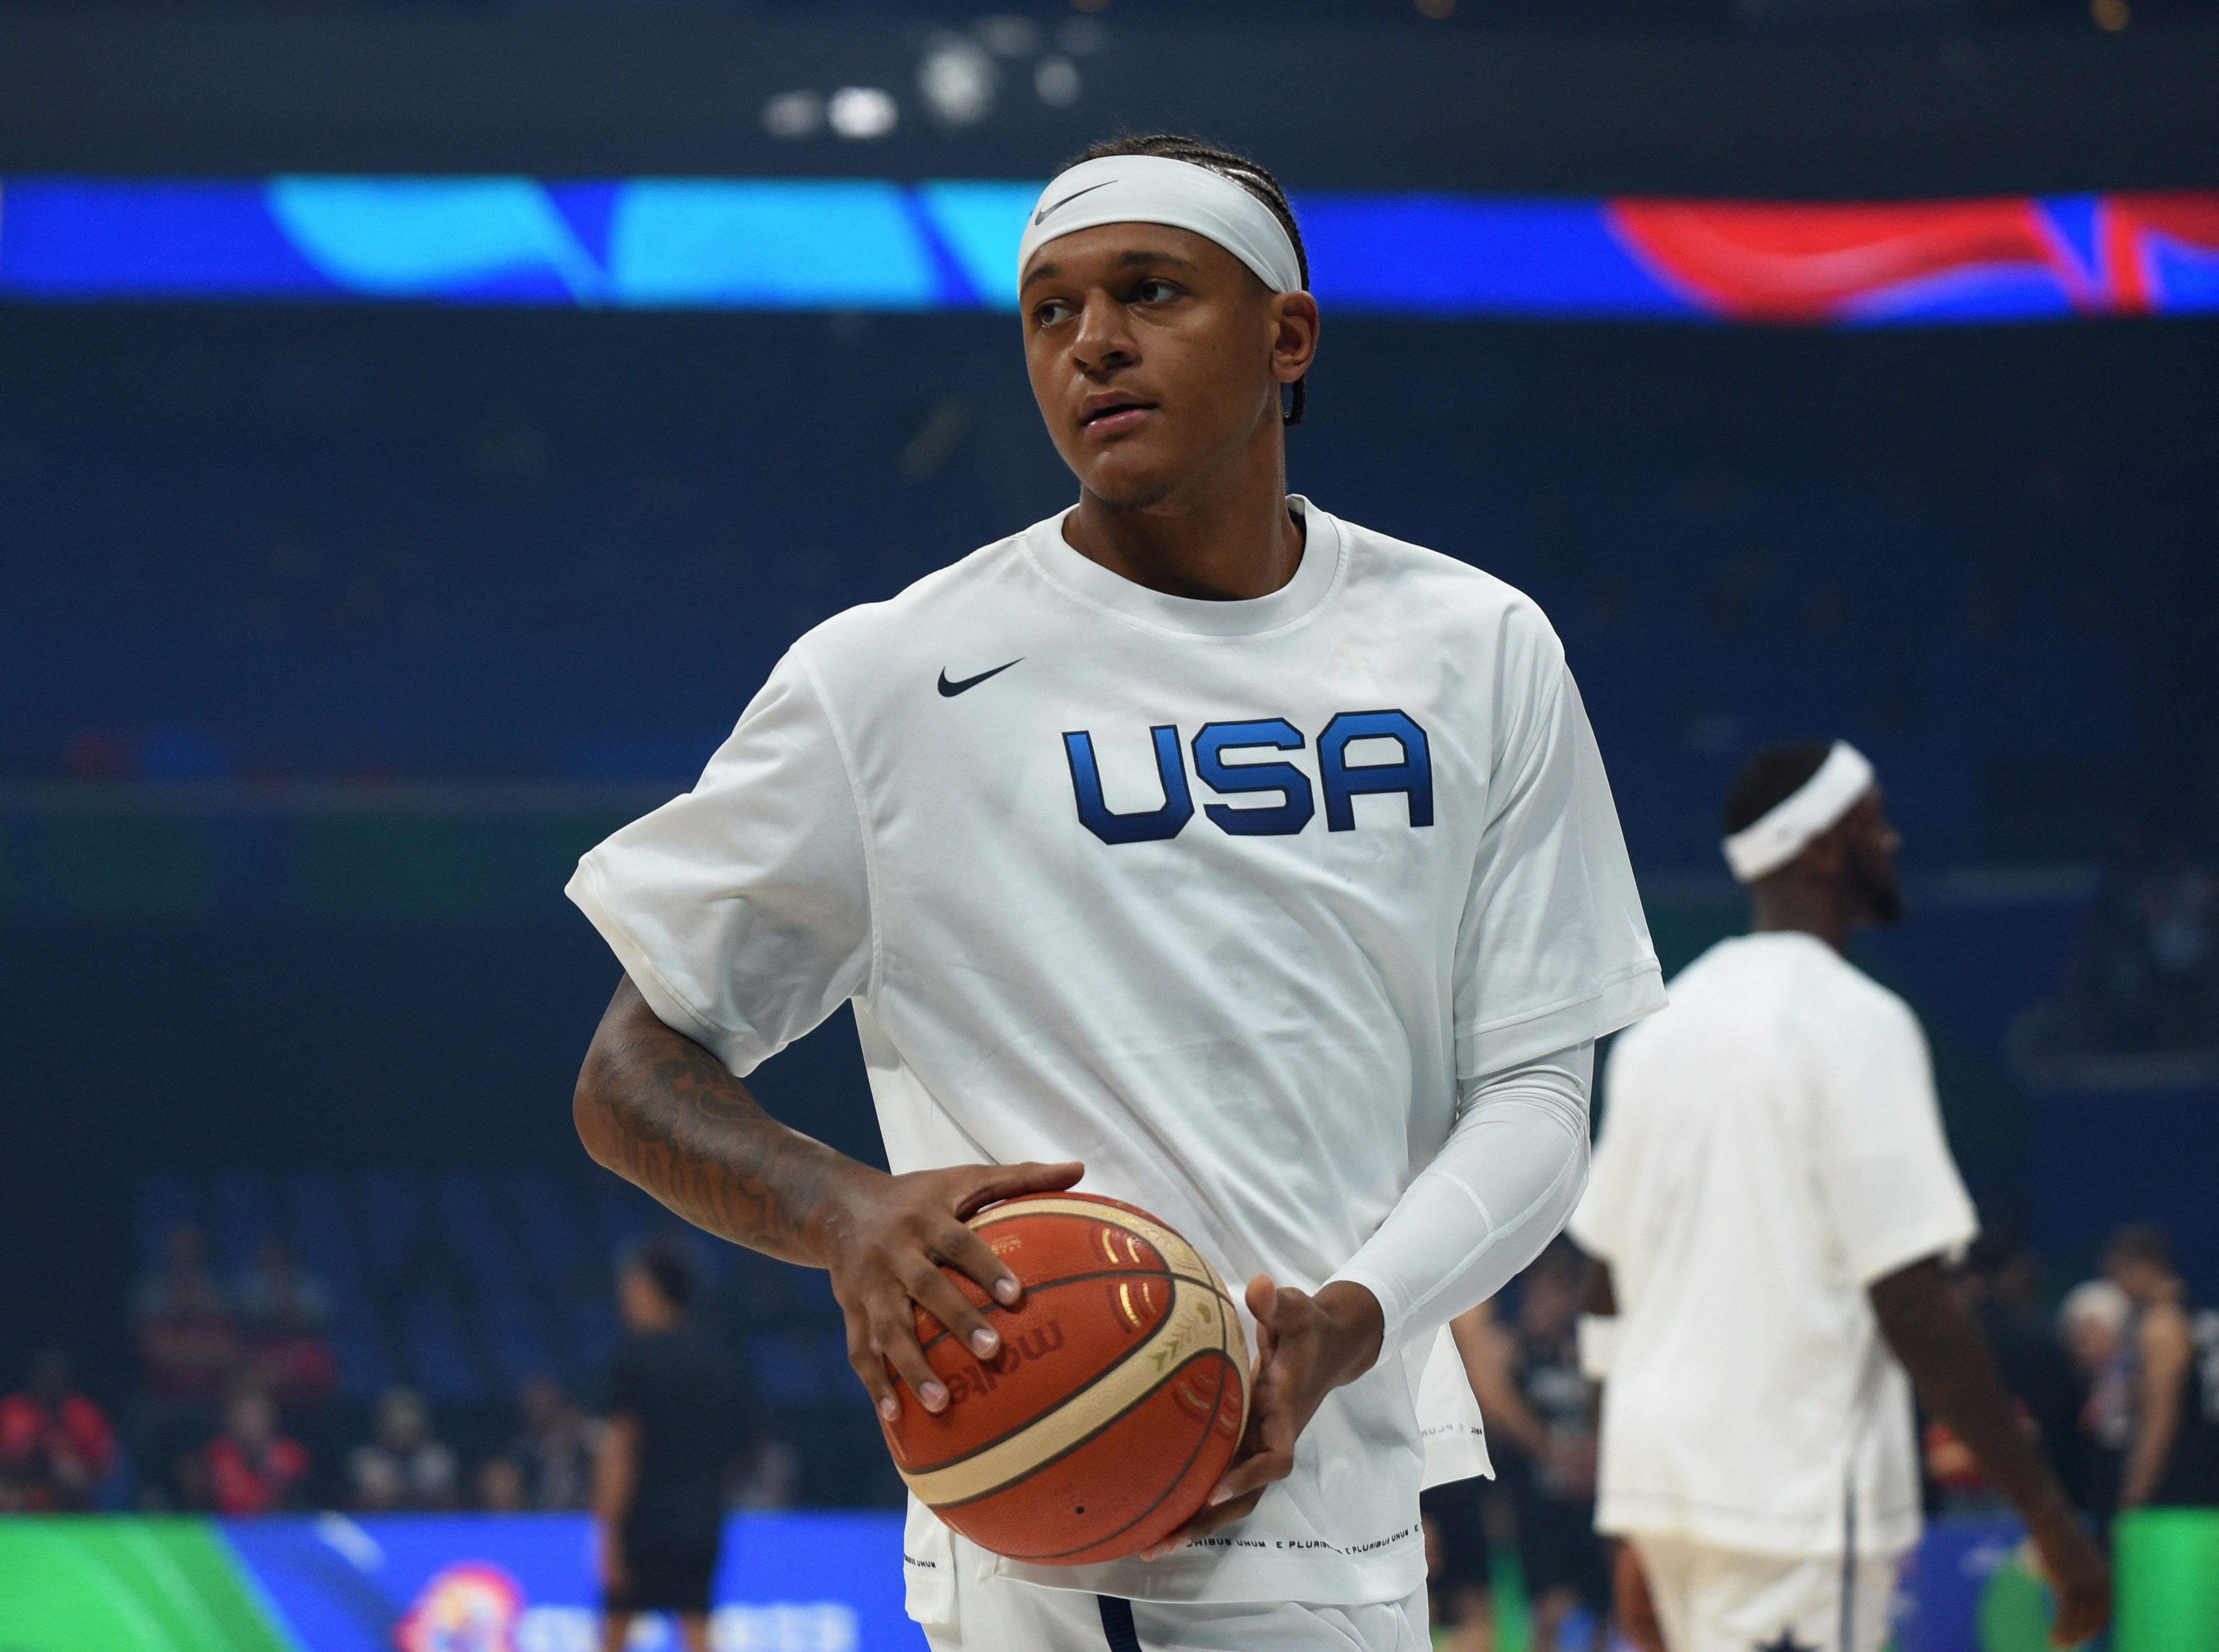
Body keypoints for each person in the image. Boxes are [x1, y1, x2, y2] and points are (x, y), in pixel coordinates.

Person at [566, 131, 1664, 1651]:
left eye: (1150, 290)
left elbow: (1538, 1096)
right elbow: (628, 1075)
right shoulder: (891, 679)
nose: (1090, 341)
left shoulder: (1477, 647)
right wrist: (844, 1211)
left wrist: (1352, 1320)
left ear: (1288, 335)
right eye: (1049, 310)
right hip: (1078, 1550)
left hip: (1359, 1518)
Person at [1571, 741, 2110, 1652]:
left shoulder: (1660, 1029)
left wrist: (1623, 1506)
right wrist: (2049, 1515)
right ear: (1818, 848)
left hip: (1666, 1487)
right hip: (1793, 1487)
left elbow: (1604, 1286)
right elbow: (1912, 1298)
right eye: (1873, 820)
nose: (1891, 839)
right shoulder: (1858, 1023)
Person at [1457, 1243, 1607, 1652]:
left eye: (1565, 1287)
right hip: (1527, 1493)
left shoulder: (1587, 1340)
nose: (1556, 1299)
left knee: (1600, 1608)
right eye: (1547, 1287)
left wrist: (1594, 1452)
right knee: (1543, 1610)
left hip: (1588, 1488)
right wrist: (1551, 1450)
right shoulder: (1510, 1339)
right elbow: (1490, 1401)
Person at [595, 1238, 741, 1652]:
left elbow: (621, 1448)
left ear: (651, 1287)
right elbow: (740, 1447)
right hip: (702, 1521)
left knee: (615, 1634)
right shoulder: (717, 1359)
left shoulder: (633, 1357)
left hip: (641, 1522)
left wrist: (608, 1533)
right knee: (698, 1632)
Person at [2103, 1223, 2219, 1509]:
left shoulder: (2160, 1326)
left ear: (2145, 1268)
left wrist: (2134, 1495)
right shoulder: (2196, 1315)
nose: (2118, 1287)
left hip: (2178, 1488)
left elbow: (2160, 1419)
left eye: (2119, 1275)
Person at [0, 1349, 115, 1512]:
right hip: (19, 1496)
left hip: (72, 1502)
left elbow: (105, 1469)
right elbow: (9, 1463)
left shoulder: (84, 1416)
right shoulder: (13, 1413)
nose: (51, 1381)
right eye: (45, 1375)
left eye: (56, 1376)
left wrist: (65, 1459)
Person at [2057, 1278, 2132, 1526]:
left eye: (2091, 1331)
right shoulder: (2071, 1385)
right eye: (2074, 1334)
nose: (2080, 1343)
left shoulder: (2132, 1381)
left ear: (2118, 1334)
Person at [348, 1386, 458, 1511]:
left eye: (408, 1426)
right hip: (380, 1521)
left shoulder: (439, 1457)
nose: (402, 1431)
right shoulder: (365, 1459)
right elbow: (369, 1500)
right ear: (382, 1425)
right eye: (396, 1425)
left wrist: (400, 1489)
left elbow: (442, 1499)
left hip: (430, 1521)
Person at [203, 1388, 309, 1517]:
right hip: (229, 1525)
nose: (251, 1424)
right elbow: (236, 1502)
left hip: (284, 1524)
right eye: (245, 1416)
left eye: (256, 1416)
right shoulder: (220, 1454)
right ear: (232, 1420)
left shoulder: (291, 1454)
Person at [511, 1374, 599, 1510]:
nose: (539, 1410)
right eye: (533, 1406)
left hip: (587, 1511)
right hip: (541, 1513)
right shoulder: (526, 1447)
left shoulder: (589, 1434)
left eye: (544, 1402)